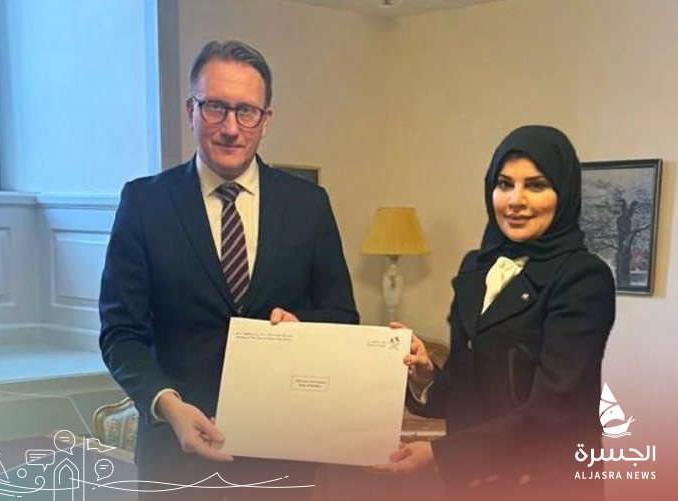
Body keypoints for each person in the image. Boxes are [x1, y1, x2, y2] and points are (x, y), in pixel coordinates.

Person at [99, 40, 359, 500]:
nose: (231, 128)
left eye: (246, 111)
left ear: (266, 119)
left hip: (280, 461)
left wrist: (302, 328)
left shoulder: (309, 205)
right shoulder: (144, 203)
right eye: (215, 108)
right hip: (174, 459)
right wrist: (168, 406)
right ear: (191, 110)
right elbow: (121, 333)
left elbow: (342, 317)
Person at [378, 125, 615, 500]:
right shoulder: (476, 267)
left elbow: (554, 409)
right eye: (505, 184)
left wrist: (440, 455)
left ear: (564, 193)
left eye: (536, 185)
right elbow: (466, 390)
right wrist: (425, 375)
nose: (515, 200)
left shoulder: (584, 277)